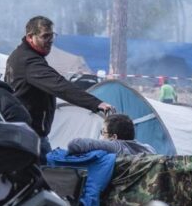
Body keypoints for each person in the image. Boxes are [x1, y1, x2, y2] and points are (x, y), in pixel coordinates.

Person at [6, 16, 113, 158]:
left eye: (52, 36)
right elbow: (60, 86)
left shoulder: (23, 56)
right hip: (28, 136)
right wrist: (97, 103)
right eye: (45, 36)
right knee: (42, 176)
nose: (50, 41)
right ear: (30, 37)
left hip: (26, 133)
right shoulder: (28, 61)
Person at [67, 113, 156, 156]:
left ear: (114, 137)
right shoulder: (149, 148)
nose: (102, 136)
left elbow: (74, 144)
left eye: (103, 132)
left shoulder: (117, 146)